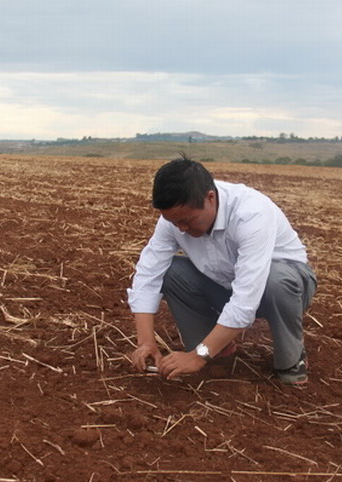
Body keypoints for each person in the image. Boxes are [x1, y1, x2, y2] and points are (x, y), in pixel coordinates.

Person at [126, 157, 317, 385]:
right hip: (225, 284)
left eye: (187, 221)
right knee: (171, 271)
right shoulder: (176, 217)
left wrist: (198, 356)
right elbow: (149, 274)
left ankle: (291, 360)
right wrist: (146, 342)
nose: (182, 229)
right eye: (175, 223)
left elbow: (246, 299)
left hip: (283, 288)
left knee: (275, 281)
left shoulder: (251, 214)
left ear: (210, 198)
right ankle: (218, 350)